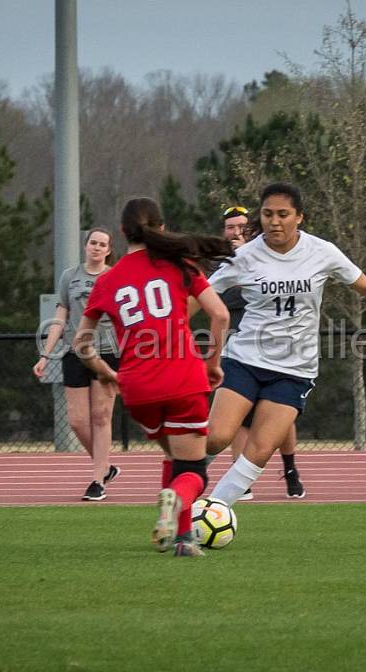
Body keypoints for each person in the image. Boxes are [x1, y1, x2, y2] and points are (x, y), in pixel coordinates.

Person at [201, 182, 366, 508]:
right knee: (216, 437)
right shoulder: (244, 256)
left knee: (260, 449)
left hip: (294, 369)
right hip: (246, 359)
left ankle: (211, 510)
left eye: (283, 214)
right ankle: (182, 479)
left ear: (299, 217)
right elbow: (204, 294)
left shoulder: (321, 252)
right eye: (267, 214)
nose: (274, 221)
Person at [74, 197, 231, 557]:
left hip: (138, 388)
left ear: (122, 233)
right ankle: (174, 503)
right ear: (160, 228)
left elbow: (81, 343)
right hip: (182, 379)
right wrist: (212, 362)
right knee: (194, 472)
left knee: (174, 458)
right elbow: (220, 315)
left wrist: (107, 372)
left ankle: (179, 538)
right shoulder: (181, 265)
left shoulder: (108, 280)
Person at [219, 205, 304, 500]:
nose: (235, 232)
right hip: (237, 343)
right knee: (239, 416)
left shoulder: (264, 256)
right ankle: (238, 479)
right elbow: (221, 297)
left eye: (241, 226)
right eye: (230, 227)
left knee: (281, 413)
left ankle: (290, 467)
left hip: (277, 347)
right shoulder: (226, 262)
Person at [33, 227, 121, 501]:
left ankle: (98, 481)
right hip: (75, 351)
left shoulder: (115, 276)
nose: (96, 247)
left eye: (102, 244)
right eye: (92, 242)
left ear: (108, 250)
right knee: (77, 420)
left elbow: (123, 316)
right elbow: (61, 315)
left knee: (101, 416)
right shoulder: (70, 276)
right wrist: (45, 354)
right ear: (86, 246)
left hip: (106, 350)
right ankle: (104, 465)